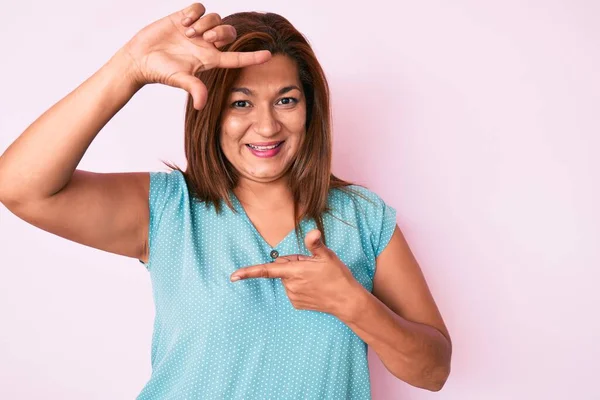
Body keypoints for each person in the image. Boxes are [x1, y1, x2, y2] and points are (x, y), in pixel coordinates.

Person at [0, 3, 452, 398]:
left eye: (286, 100)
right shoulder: (168, 210)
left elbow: (433, 371)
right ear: (210, 112)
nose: (267, 126)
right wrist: (128, 68)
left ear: (310, 110)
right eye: (240, 103)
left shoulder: (363, 219)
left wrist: (355, 304)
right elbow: (19, 186)